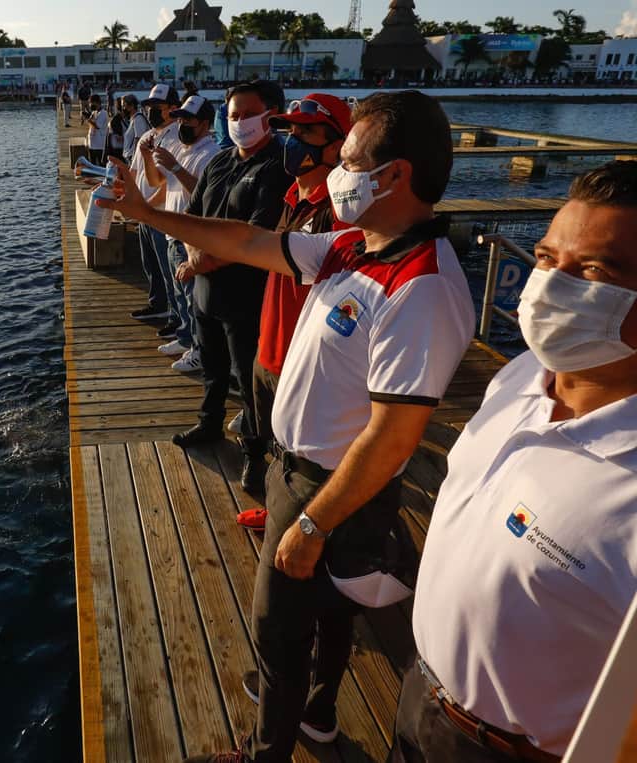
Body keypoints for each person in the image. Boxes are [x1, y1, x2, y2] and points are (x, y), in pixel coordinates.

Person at [102, 90, 475, 763]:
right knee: (329, 612)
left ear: (397, 175)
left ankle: (263, 751)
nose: (339, 170)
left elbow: (393, 438)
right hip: (297, 472)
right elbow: (246, 240)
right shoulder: (357, 247)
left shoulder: (422, 287)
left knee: (277, 627)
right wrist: (146, 212)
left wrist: (312, 522)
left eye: (353, 159)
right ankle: (318, 713)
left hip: (326, 491)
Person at [395, 161, 637, 762]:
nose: (551, 285)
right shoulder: (523, 374)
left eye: (593, 271)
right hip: (417, 694)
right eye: (548, 258)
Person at [237, 93, 353, 525]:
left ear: (338, 144)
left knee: (305, 455)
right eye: (290, 131)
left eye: (306, 132)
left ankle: (304, 527)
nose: (293, 140)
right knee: (275, 441)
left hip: (301, 358)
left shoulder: (340, 209)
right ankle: (278, 509)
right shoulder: (292, 194)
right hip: (269, 343)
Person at [168, 81, 290, 476]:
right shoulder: (220, 162)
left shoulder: (278, 166)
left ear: (271, 115)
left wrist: (200, 263)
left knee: (248, 378)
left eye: (247, 115)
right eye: (233, 115)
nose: (239, 122)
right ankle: (209, 423)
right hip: (205, 292)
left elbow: (255, 235)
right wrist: (194, 256)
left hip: (246, 295)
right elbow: (192, 216)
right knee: (213, 367)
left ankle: (256, 453)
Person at [142, 94, 220, 373]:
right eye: (180, 118)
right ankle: (187, 338)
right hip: (173, 231)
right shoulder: (185, 149)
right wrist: (147, 157)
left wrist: (175, 165)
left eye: (189, 119)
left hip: (191, 236)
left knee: (193, 298)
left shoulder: (210, 153)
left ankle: (200, 351)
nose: (182, 124)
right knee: (179, 293)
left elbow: (204, 193)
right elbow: (159, 183)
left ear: (205, 124)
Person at [128, 84, 182, 325]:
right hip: (144, 212)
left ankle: (176, 315)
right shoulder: (148, 136)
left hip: (160, 213)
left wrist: (147, 209)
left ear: (173, 108)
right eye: (149, 107)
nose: (151, 112)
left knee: (167, 269)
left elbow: (166, 184)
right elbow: (134, 171)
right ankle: (158, 303)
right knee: (150, 264)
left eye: (157, 108)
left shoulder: (178, 138)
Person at [120, 94, 150, 166]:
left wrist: (135, 159)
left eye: (124, 105)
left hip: (134, 158)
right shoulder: (133, 119)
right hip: (130, 157)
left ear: (132, 106)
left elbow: (139, 139)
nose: (123, 108)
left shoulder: (138, 119)